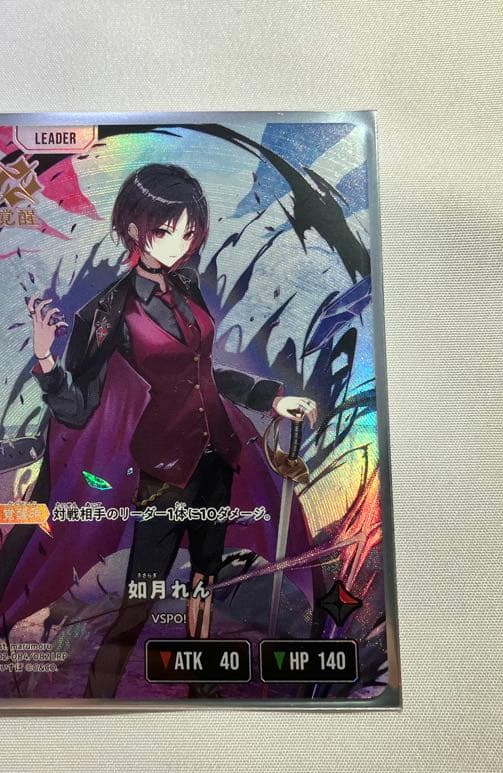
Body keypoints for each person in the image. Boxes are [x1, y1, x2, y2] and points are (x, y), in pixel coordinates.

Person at [25, 164, 317, 698]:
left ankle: (201, 683)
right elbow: (76, 407)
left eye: (188, 232)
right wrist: (44, 359)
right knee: (144, 590)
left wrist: (272, 398)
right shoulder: (108, 312)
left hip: (217, 456)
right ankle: (99, 693)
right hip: (164, 468)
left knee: (205, 576)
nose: (179, 244)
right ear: (133, 229)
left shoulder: (185, 285)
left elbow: (205, 372)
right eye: (166, 230)